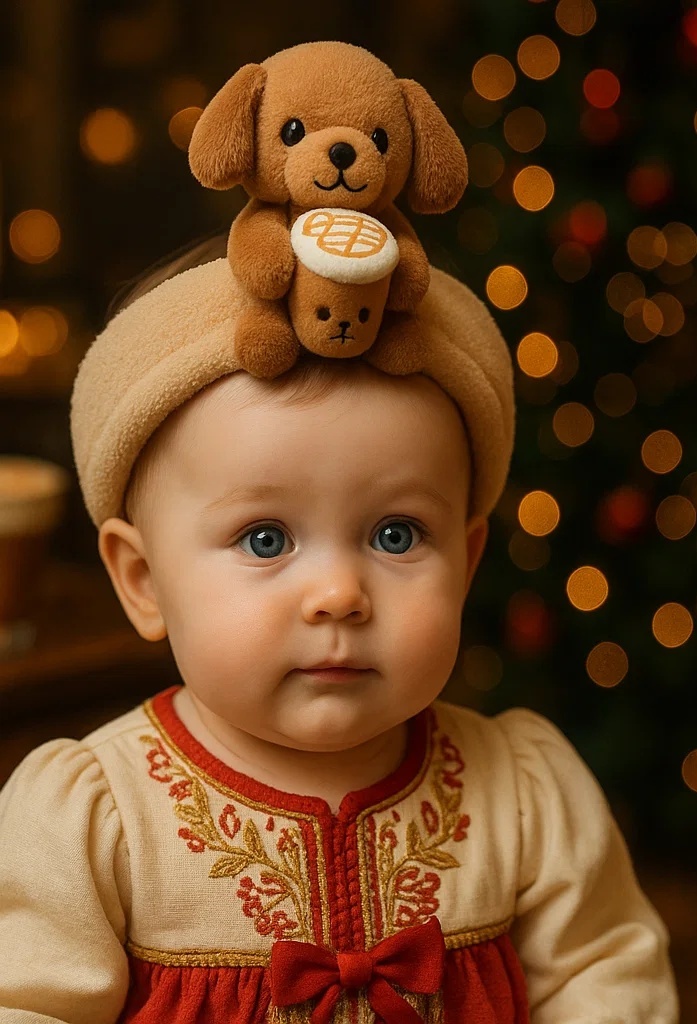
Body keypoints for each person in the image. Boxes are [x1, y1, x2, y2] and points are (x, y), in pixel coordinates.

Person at [0, 231, 679, 1023]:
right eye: (265, 539)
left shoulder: (524, 795)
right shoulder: (96, 819)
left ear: (465, 563)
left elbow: (605, 978)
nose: (338, 595)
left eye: (396, 534)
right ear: (143, 581)